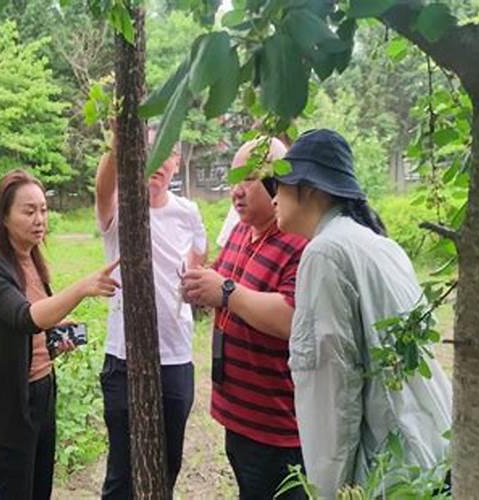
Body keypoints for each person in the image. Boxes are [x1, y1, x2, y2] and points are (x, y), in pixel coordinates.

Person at [272, 129, 452, 497]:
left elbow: (332, 387)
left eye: (280, 185)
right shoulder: (379, 244)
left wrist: (329, 489)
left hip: (387, 472)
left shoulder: (325, 253)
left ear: (310, 189)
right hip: (431, 452)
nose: (273, 198)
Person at [0, 169, 120, 500]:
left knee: (41, 489)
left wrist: (57, 330)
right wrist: (82, 288)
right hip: (11, 403)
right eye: (28, 211)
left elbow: (39, 319)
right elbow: (24, 318)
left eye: (43, 209)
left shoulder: (33, 262)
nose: (39, 218)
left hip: (43, 390)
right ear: (4, 217)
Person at [181, 137, 308, 500]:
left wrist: (224, 290)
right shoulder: (239, 231)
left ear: (276, 183)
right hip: (238, 417)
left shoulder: (298, 241)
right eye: (233, 178)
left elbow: (290, 317)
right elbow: (223, 283)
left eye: (248, 178)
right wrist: (198, 285)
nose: (236, 190)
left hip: (277, 426)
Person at [96, 131, 207, 499]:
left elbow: (197, 261)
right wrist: (118, 142)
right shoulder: (121, 210)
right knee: (122, 469)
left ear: (176, 162)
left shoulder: (188, 212)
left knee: (167, 462)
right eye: (148, 152)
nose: (158, 161)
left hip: (175, 356)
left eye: (167, 153)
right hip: (124, 358)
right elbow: (103, 188)